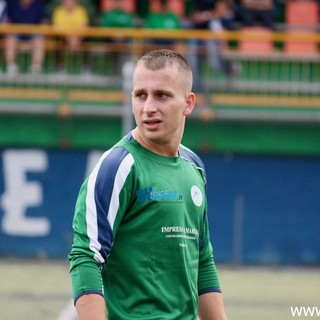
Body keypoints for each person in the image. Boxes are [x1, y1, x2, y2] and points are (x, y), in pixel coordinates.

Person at [69, 49, 227, 320]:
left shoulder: (195, 167)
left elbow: (202, 260)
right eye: (140, 95)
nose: (148, 107)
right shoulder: (118, 166)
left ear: (188, 103)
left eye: (162, 95)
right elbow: (86, 257)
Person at [5, 0, 48, 76]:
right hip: (16, 33)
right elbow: (7, 23)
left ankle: (36, 68)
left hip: (33, 34)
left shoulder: (38, 4)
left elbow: (44, 23)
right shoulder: (13, 4)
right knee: (10, 38)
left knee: (39, 39)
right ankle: (11, 67)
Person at [52, 0, 90, 73]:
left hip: (78, 38)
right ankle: (59, 68)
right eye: (66, 1)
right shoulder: (58, 11)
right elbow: (57, 28)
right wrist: (69, 37)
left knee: (87, 41)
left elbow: (83, 27)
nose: (68, 3)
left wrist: (76, 37)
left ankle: (86, 68)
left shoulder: (81, 11)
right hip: (64, 37)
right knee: (58, 41)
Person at [99, 0, 136, 75]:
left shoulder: (127, 15)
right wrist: (114, 35)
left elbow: (130, 29)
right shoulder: (108, 15)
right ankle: (111, 73)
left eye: (121, 2)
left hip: (125, 40)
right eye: (117, 2)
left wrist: (122, 36)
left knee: (131, 46)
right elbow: (105, 28)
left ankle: (127, 74)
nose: (119, 4)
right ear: (114, 3)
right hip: (110, 40)